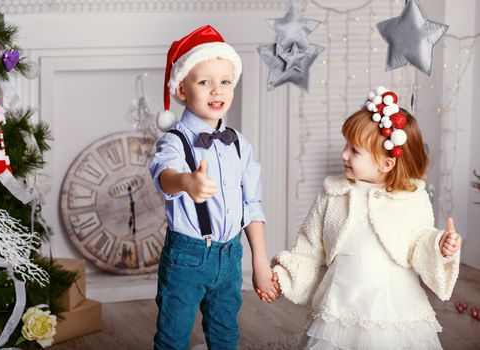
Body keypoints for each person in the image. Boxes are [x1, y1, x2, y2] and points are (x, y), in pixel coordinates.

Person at [269, 86, 461, 349]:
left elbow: (420, 242)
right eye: (346, 145)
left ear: (387, 163)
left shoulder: (411, 198)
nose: (344, 154)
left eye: (355, 151)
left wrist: (441, 246)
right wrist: (284, 275)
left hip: (393, 305)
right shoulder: (334, 193)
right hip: (340, 302)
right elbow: (309, 245)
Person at [149, 25, 280, 350]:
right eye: (204, 82)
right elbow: (163, 174)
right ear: (181, 90)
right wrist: (185, 182)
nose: (217, 91)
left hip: (230, 254)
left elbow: (252, 205)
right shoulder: (175, 141)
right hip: (187, 257)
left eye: (225, 82)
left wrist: (260, 264)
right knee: (173, 335)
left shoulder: (239, 144)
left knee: (225, 331)